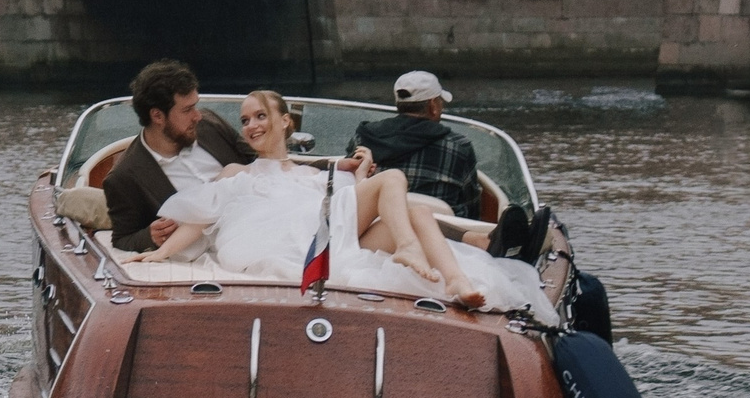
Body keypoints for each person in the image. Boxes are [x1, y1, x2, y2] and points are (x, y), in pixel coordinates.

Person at [145, 89, 488, 303]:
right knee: (394, 178)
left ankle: (457, 282)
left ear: (285, 122)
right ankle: (408, 248)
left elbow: (348, 205)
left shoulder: (313, 175)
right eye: (245, 120)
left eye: (261, 116)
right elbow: (201, 217)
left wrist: (359, 175)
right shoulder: (238, 172)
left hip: (332, 237)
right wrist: (160, 253)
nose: (251, 125)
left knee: (419, 214)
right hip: (293, 243)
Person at [356, 70, 552, 265]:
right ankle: (496, 243)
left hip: (375, 230)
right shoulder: (458, 145)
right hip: (444, 235)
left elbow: (353, 190)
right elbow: (471, 204)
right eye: (440, 102)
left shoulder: (364, 138)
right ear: (433, 106)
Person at [102, 59, 254, 253]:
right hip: (210, 251)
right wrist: (150, 236)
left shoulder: (211, 124)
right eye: (187, 110)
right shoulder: (124, 177)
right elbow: (122, 238)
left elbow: (259, 160)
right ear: (157, 116)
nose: (197, 116)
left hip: (260, 221)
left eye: (195, 106)